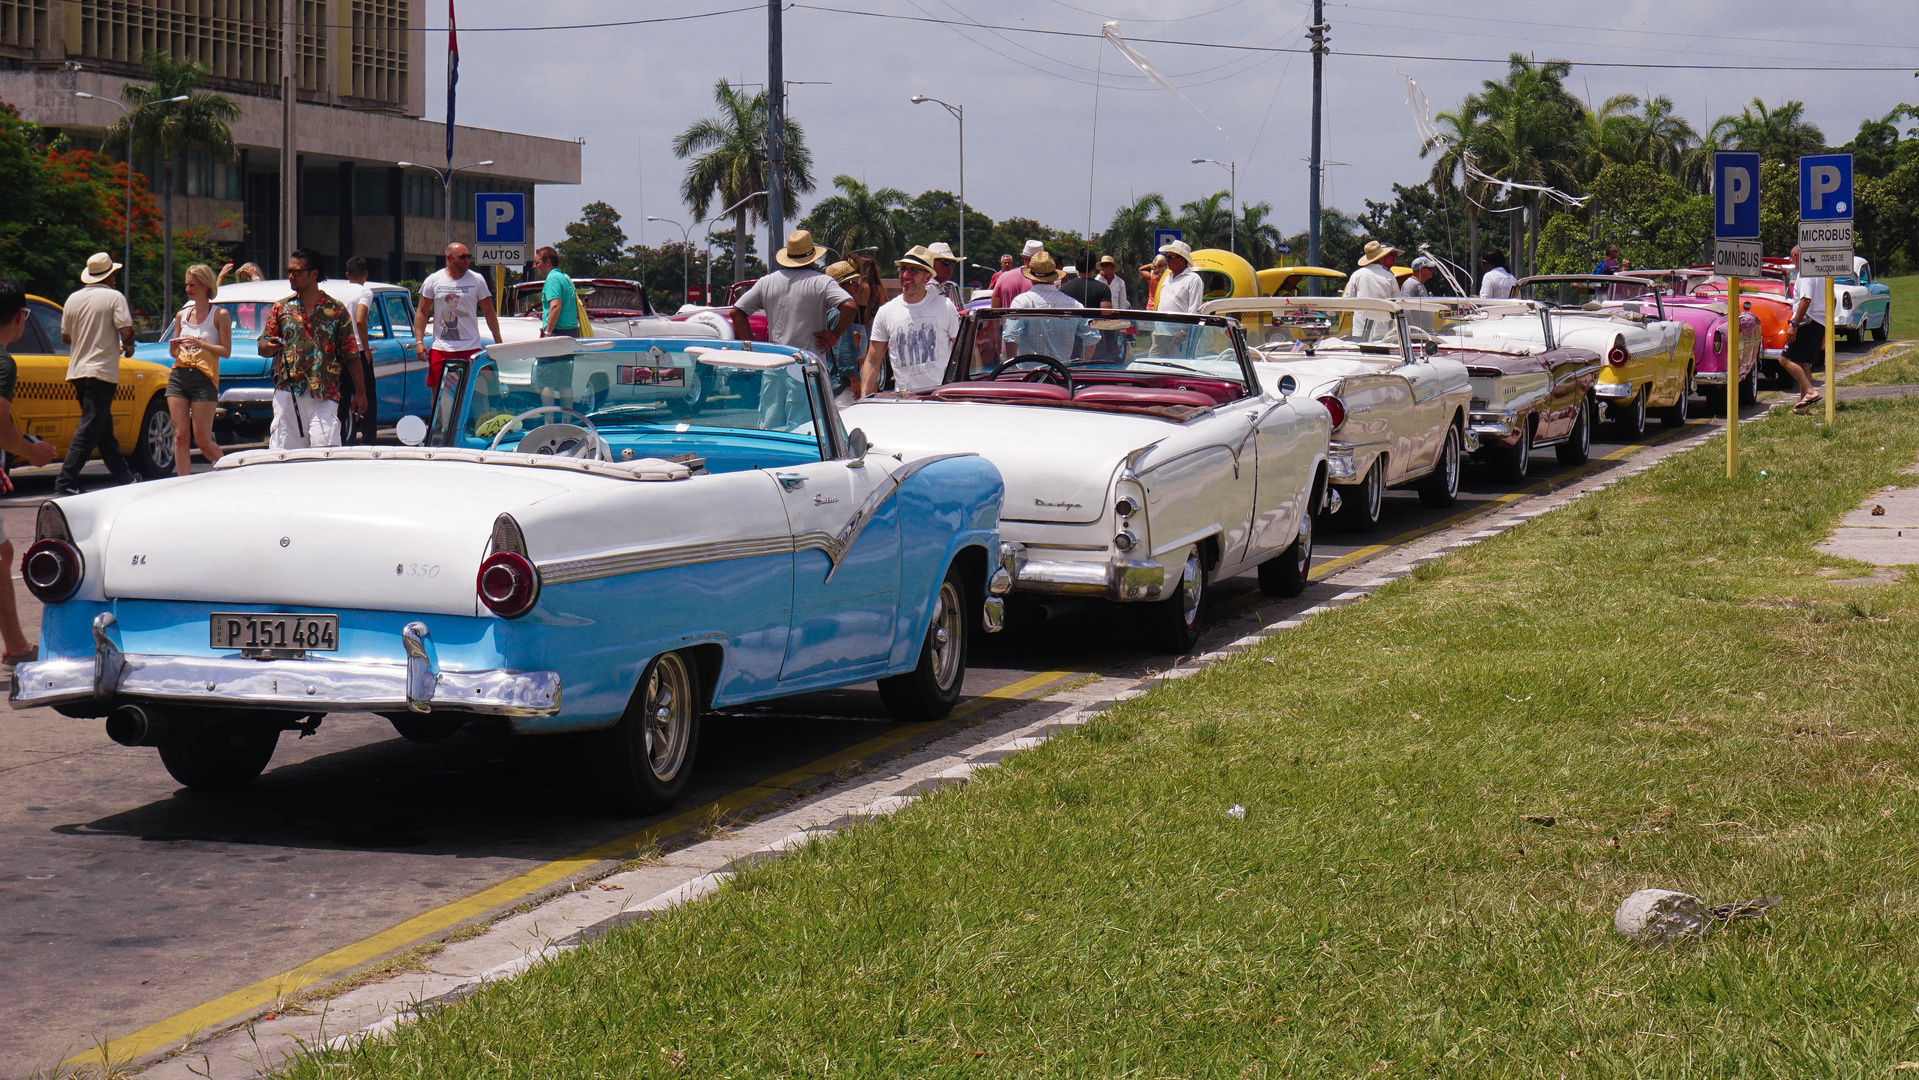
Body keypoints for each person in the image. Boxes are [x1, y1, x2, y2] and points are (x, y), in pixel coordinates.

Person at [0, 277, 62, 665]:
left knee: (2, 553)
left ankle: (17, 646)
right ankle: (18, 646)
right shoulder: (4, 363)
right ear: (22, 317)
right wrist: (30, 451)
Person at [732, 230, 856, 425]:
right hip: (807, 367)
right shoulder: (821, 282)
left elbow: (737, 312)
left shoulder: (768, 282)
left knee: (770, 427)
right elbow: (849, 306)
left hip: (774, 365)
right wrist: (834, 335)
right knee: (804, 428)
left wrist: (755, 350)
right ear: (812, 257)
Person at [259, 248, 365, 449]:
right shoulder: (281, 308)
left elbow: (351, 354)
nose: (290, 276)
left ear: (314, 274)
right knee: (284, 454)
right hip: (288, 392)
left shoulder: (336, 310)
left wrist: (361, 392)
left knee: (325, 450)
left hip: (324, 392)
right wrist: (269, 347)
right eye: (288, 271)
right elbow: (262, 345)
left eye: (296, 272)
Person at [56, 252, 137, 495]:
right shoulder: (114, 297)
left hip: (78, 370)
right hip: (101, 370)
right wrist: (129, 346)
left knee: (102, 427)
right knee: (91, 425)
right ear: (110, 275)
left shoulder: (72, 299)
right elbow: (127, 329)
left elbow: (65, 336)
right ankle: (65, 481)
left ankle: (125, 479)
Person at [863, 246, 960, 395]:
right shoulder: (886, 312)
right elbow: (872, 361)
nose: (905, 275)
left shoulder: (945, 307)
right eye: (903, 269)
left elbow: (961, 352)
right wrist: (865, 400)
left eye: (913, 270)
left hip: (939, 398)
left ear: (927, 277)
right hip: (904, 400)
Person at [414, 242, 504, 394]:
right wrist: (419, 341)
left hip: (470, 348)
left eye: (468, 257)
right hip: (441, 348)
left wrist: (498, 341)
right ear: (449, 258)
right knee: (439, 397)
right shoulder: (433, 280)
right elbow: (422, 312)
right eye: (462, 257)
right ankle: (441, 419)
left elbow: (489, 312)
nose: (467, 260)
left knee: (476, 394)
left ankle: (477, 418)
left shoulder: (477, 280)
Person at [166, 264, 229, 476]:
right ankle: (183, 482)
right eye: (187, 285)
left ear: (205, 285)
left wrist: (201, 344)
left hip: (204, 378)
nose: (188, 289)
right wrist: (174, 348)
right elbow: (173, 352)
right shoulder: (182, 315)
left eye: (192, 284)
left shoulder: (219, 315)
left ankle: (230, 472)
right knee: (180, 435)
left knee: (202, 440)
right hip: (179, 375)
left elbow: (226, 351)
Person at [1004, 251, 1094, 360]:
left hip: (1028, 374)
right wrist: (1084, 364)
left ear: (1031, 277)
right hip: (1061, 373)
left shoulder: (1021, 302)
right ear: (1054, 277)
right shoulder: (1074, 304)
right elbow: (1092, 336)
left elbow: (1011, 336)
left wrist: (1012, 369)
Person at [821, 260, 873, 405]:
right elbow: (843, 351)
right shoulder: (839, 313)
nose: (858, 285)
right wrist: (854, 379)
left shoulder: (826, 309)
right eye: (852, 281)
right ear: (839, 288)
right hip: (841, 386)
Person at [1782, 244, 1826, 414]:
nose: (1792, 262)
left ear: (1797, 257)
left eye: (1792, 258)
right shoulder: (1821, 274)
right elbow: (1833, 300)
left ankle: (1810, 391)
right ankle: (1803, 406)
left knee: (1785, 360)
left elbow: (1806, 300)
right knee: (1804, 363)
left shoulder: (1806, 274)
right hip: (1819, 322)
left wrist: (1794, 324)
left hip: (1808, 322)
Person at [341, 255, 377, 444]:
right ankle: (368, 437)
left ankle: (345, 436)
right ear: (366, 275)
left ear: (347, 274)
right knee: (365, 393)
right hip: (358, 350)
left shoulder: (337, 293)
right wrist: (367, 348)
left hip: (339, 351)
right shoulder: (365, 292)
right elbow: (360, 319)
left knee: (343, 395)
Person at [533, 246, 580, 337]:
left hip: (558, 332)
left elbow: (555, 306)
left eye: (537, 263)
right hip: (571, 331)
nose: (534, 266)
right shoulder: (565, 277)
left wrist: (547, 333)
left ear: (548, 262)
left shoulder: (552, 278)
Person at [927, 242, 964, 308]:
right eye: (945, 262)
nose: (950, 267)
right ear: (931, 263)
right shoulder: (924, 288)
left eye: (953, 263)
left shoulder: (953, 286)